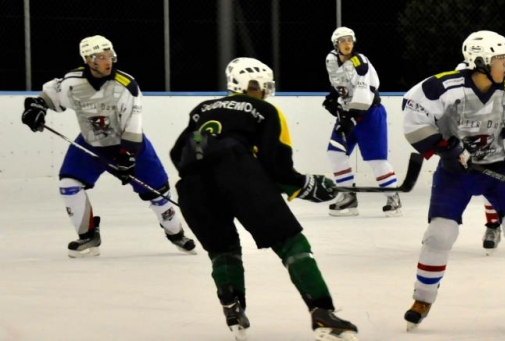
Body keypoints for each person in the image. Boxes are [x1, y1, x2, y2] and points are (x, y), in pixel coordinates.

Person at [170, 57, 358, 341]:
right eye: (262, 86)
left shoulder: (202, 109)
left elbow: (179, 153)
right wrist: (306, 185)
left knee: (223, 249)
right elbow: (276, 165)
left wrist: (207, 178)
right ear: (251, 86)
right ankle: (322, 311)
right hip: (239, 173)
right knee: (291, 243)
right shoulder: (265, 110)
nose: (266, 91)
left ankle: (233, 308)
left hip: (193, 185)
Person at [401, 30, 505, 331]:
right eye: (501, 58)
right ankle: (422, 298)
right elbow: (412, 113)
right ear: (481, 61)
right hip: (456, 173)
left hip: (501, 171)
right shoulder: (443, 87)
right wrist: (446, 148)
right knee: (439, 235)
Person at [20, 35, 196, 258]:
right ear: (88, 59)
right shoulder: (71, 82)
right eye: (101, 57)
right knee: (68, 184)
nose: (108, 61)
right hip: (91, 144)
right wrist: (37, 107)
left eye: (109, 56)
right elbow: (50, 96)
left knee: (158, 193)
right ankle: (88, 236)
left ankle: (175, 233)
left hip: (128, 143)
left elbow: (133, 124)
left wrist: (128, 156)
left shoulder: (126, 86)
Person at [322, 26, 402, 217]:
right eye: (343, 41)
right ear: (336, 45)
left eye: (350, 40)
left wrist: (351, 118)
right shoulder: (331, 60)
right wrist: (333, 97)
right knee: (335, 153)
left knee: (376, 159)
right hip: (348, 114)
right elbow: (340, 83)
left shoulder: (360, 62)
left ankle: (393, 198)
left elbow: (364, 93)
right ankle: (348, 196)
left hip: (369, 115)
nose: (347, 43)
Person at [455, 61, 504, 254]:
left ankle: (494, 226)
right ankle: (441, 226)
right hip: (466, 155)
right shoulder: (455, 98)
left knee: (490, 189)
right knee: (451, 188)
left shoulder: (499, 96)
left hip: (494, 153)